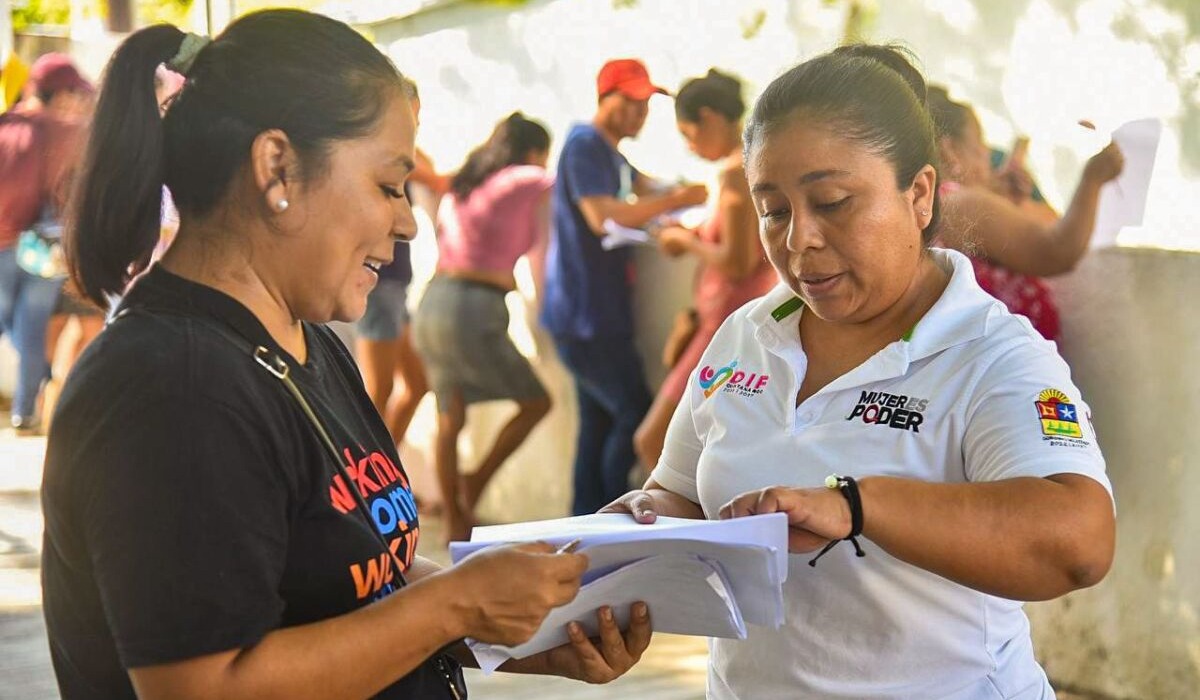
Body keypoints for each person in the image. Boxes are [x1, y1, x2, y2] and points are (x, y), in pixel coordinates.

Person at [42, 13, 651, 699]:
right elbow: (203, 686)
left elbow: (361, 579)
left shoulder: (306, 345)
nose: (408, 220)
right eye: (390, 185)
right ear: (277, 167)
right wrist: (457, 603)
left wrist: (528, 628)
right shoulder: (173, 388)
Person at [603, 44, 1116, 699]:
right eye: (775, 210)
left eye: (834, 202)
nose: (799, 240)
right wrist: (627, 536)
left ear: (920, 193)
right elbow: (680, 494)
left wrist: (857, 505)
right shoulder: (746, 335)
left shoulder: (992, 353)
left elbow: (1078, 541)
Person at [542, 58, 708, 515]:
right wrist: (679, 199)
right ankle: (610, 518)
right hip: (585, 314)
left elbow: (644, 188)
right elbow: (604, 216)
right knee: (633, 413)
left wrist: (674, 199)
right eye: (631, 101)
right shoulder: (584, 145)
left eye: (645, 104)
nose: (639, 112)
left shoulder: (609, 153)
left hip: (597, 312)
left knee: (598, 424)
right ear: (605, 97)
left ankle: (584, 524)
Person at [412, 111, 555, 542]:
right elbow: (551, 234)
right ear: (534, 152)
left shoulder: (465, 181)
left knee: (448, 415)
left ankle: (456, 519)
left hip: (434, 301)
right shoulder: (529, 177)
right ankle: (473, 483)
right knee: (536, 401)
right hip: (475, 307)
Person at [633, 69, 777, 469]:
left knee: (654, 442)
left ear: (711, 119)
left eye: (688, 133)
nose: (689, 146)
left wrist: (687, 242)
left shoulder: (735, 172)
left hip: (728, 324)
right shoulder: (748, 165)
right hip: (731, 320)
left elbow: (739, 261)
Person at [928, 85, 1123, 340]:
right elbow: (1057, 251)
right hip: (1004, 373)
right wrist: (1093, 179)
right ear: (948, 151)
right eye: (978, 147)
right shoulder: (959, 204)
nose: (988, 156)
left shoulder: (934, 207)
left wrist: (997, 198)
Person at [0, 52, 92, 433]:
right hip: (43, 249)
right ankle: (24, 411)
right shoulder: (69, 131)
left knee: (14, 327)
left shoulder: (7, 125)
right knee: (31, 329)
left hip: (3, 243)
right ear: (60, 91)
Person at [355, 77, 440, 451]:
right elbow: (434, 176)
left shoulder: (398, 153)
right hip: (379, 279)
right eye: (411, 117)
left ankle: (384, 472)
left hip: (396, 284)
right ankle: (363, 491)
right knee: (378, 393)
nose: (415, 127)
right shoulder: (378, 151)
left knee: (417, 382)